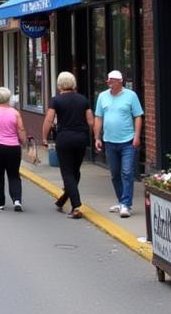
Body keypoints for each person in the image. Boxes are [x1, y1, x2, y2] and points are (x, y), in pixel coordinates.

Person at [42, 71, 94, 219]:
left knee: (67, 173)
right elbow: (91, 121)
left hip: (64, 138)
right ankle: (63, 199)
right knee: (75, 171)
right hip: (81, 138)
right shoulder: (83, 99)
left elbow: (49, 120)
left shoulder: (56, 100)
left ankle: (76, 206)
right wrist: (94, 136)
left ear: (59, 85)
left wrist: (44, 138)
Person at [94, 70, 144, 217]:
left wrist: (137, 136)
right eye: (108, 80)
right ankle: (121, 200)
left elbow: (138, 116)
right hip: (109, 141)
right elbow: (98, 117)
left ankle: (126, 204)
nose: (108, 82)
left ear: (119, 81)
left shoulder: (131, 96)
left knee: (127, 172)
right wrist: (97, 137)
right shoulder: (103, 96)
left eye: (111, 80)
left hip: (127, 140)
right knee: (115, 174)